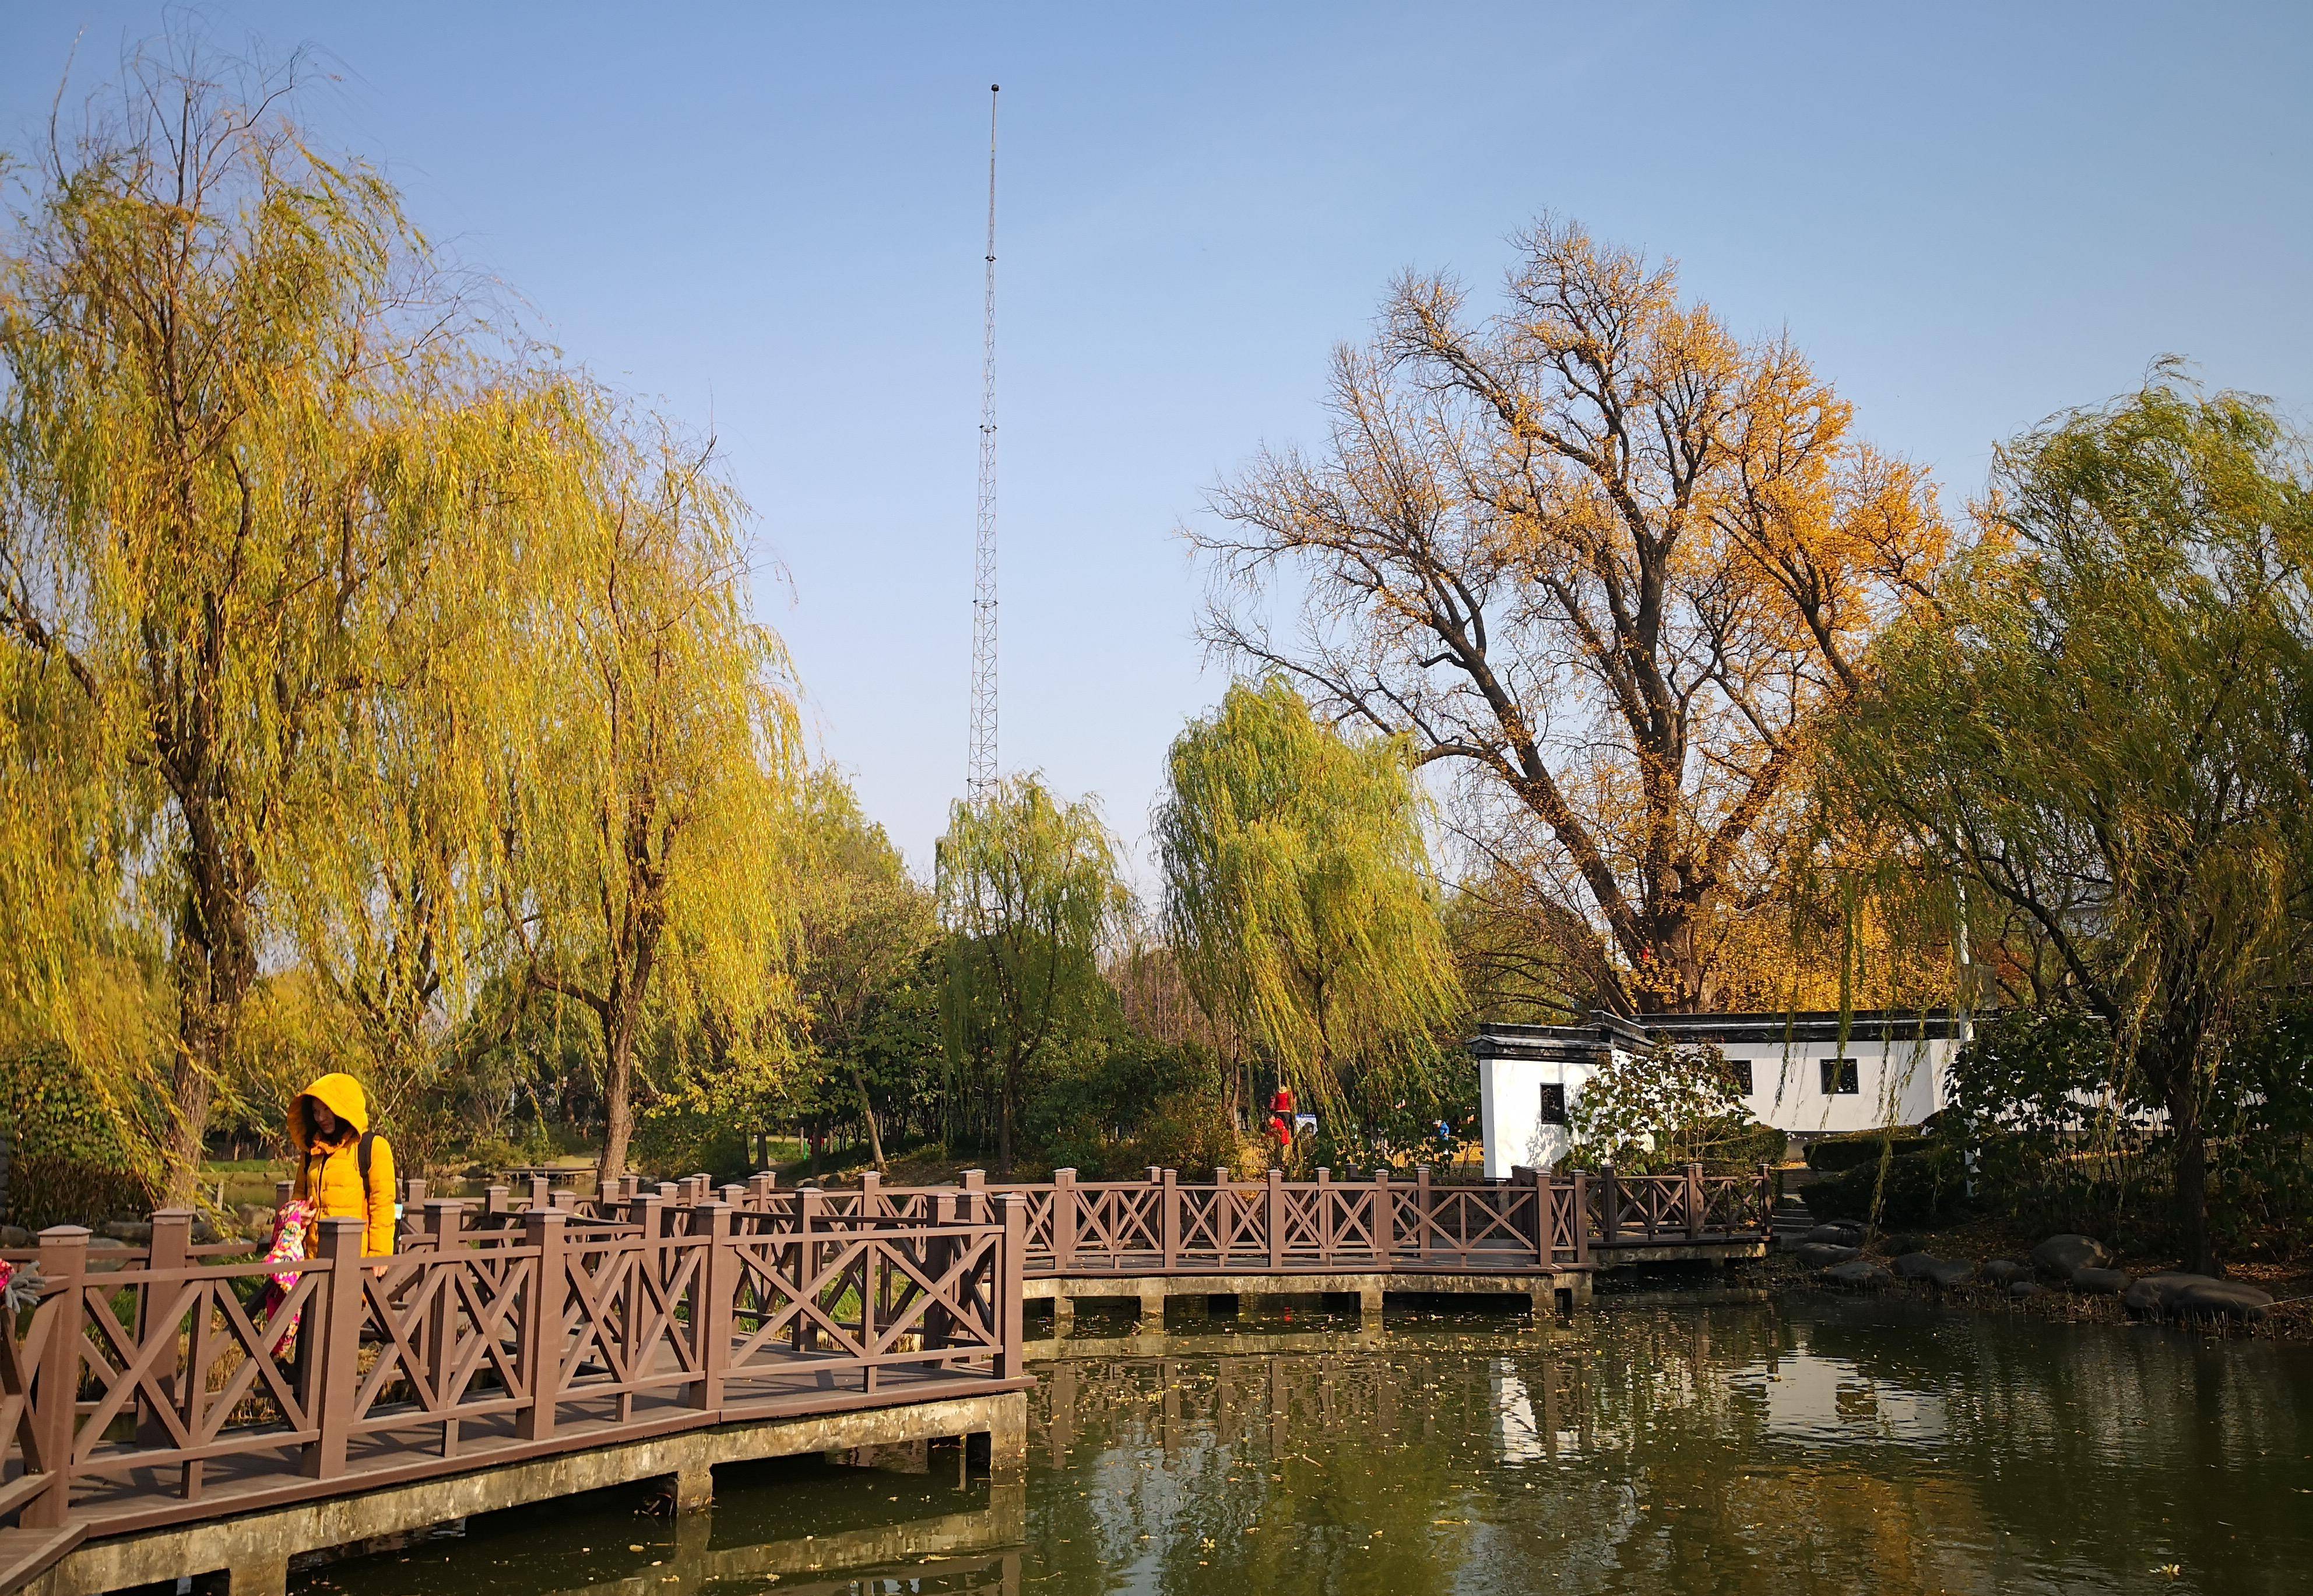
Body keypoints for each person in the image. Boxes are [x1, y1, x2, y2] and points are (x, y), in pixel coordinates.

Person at [288, 1073, 396, 1259]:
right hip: (313, 1258)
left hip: (354, 1260)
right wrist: (299, 1214)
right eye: (315, 1111)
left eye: (327, 1109)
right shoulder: (312, 1150)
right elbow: (300, 1193)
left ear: (344, 1108)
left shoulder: (371, 1147)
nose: (321, 1117)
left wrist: (380, 1254)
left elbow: (383, 1205)